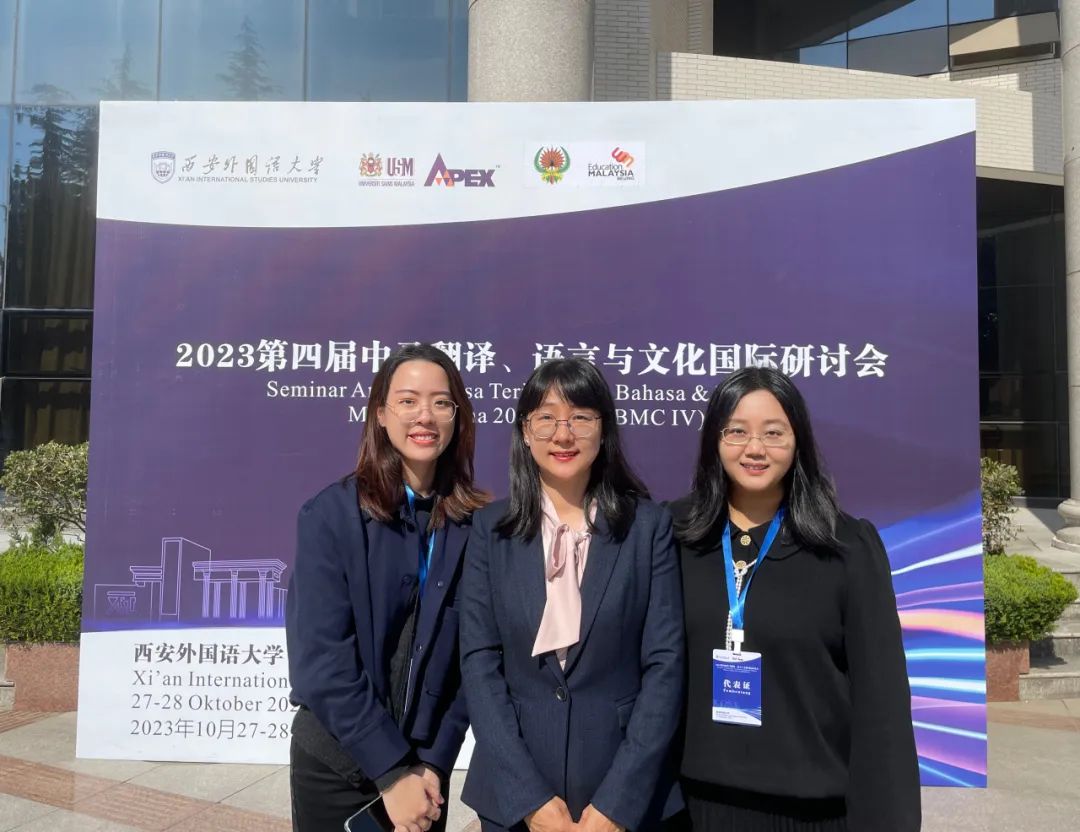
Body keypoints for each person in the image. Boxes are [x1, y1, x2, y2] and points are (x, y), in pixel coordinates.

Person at [668, 366, 920, 832]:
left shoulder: (846, 546)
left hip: (813, 814)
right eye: (736, 431)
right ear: (713, 440)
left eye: (773, 433)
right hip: (692, 809)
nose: (755, 448)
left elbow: (881, 705)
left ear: (798, 440)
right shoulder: (674, 535)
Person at [460, 358, 685, 832]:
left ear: (604, 429)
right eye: (546, 418)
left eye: (580, 417)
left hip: (625, 798)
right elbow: (479, 663)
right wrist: (530, 799)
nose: (563, 435)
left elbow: (665, 666)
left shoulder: (648, 528)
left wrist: (617, 805)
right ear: (525, 432)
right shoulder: (491, 530)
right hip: (514, 798)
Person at [286, 343, 488, 832]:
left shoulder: (475, 525)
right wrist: (391, 771)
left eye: (441, 402)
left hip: (424, 778)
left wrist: (433, 763)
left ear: (457, 417)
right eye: (408, 401)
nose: (425, 416)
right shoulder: (331, 516)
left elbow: (473, 660)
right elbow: (322, 663)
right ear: (380, 414)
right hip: (339, 765)